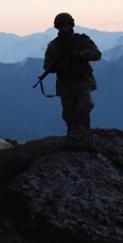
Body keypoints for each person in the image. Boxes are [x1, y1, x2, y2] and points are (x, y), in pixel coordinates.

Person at [42, 12, 102, 144]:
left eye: (66, 25)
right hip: (65, 84)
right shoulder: (54, 46)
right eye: (61, 26)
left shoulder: (81, 41)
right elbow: (47, 65)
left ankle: (85, 138)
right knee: (69, 115)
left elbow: (96, 54)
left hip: (82, 82)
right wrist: (58, 66)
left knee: (83, 109)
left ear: (71, 26)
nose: (63, 28)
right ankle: (73, 140)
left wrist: (78, 55)